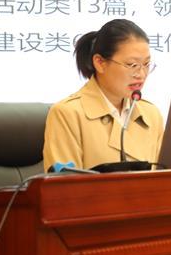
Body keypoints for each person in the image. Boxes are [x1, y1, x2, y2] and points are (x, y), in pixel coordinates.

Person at [43, 19, 164, 172]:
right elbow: (64, 183)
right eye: (132, 65)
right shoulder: (68, 114)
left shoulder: (151, 114)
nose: (141, 74)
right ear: (100, 63)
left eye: (146, 64)